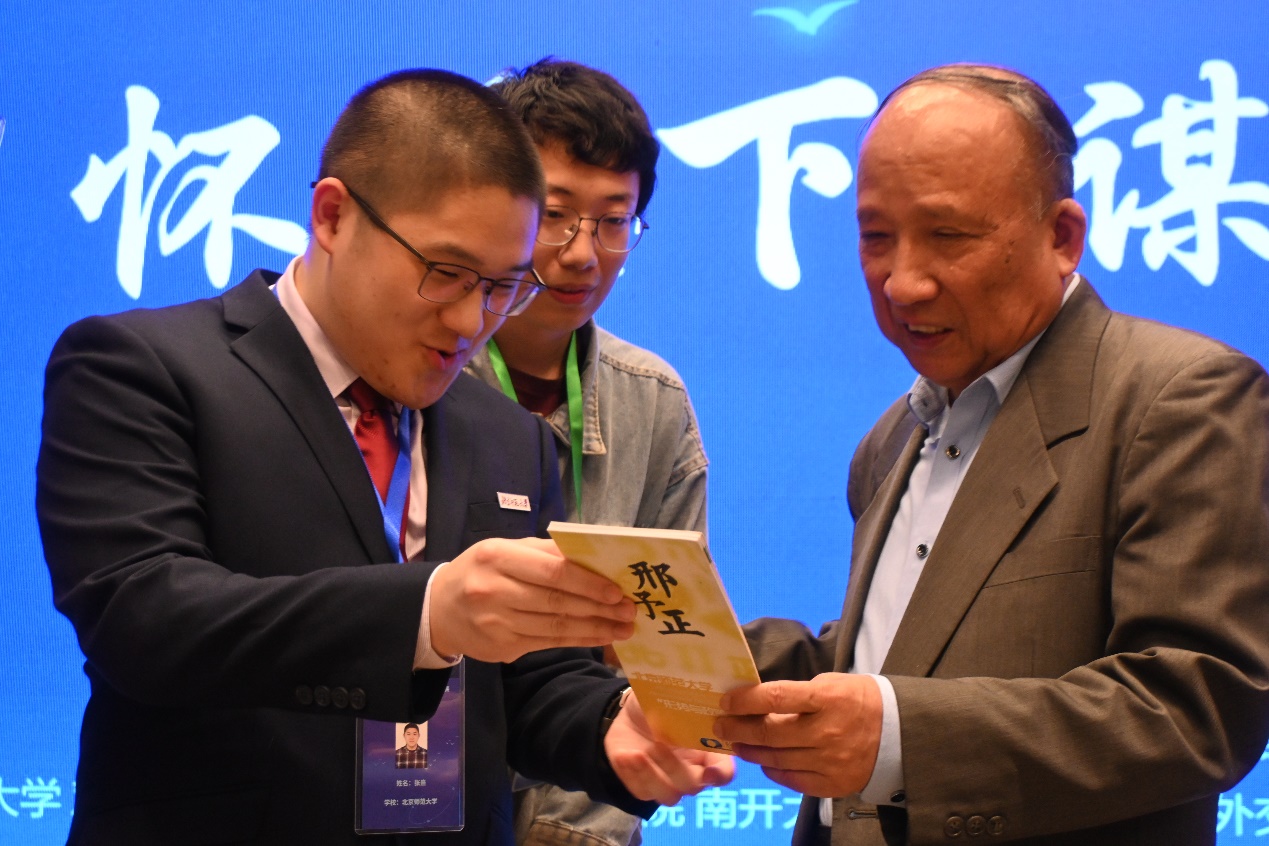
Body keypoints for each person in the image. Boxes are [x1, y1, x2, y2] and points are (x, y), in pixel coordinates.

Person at [36, 68, 730, 846]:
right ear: (332, 216)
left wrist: (611, 724)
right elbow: (143, 616)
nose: (470, 321)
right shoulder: (143, 367)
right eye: (445, 274)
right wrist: (429, 612)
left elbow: (529, 681)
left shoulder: (509, 435)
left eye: (502, 288)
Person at [722, 64, 1269, 846]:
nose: (901, 282)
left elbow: (1194, 705)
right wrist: (680, 644)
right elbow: (900, 657)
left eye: (947, 236)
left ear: (1062, 237)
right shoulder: (890, 437)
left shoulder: (1178, 398)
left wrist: (899, 739)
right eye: (875, 236)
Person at [464, 58, 709, 846]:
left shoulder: (654, 402)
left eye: (613, 220)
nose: (583, 253)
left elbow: (668, 644)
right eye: (556, 214)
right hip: (417, 804)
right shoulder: (416, 377)